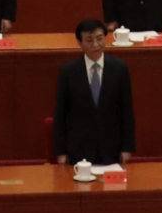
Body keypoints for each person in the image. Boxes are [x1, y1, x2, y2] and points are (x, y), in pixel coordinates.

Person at [52, 19, 135, 167]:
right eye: (89, 40)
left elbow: (127, 111)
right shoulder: (68, 72)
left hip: (111, 148)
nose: (95, 45)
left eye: (99, 38)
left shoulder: (119, 68)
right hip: (78, 149)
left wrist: (127, 147)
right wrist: (61, 152)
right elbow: (60, 115)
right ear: (80, 43)